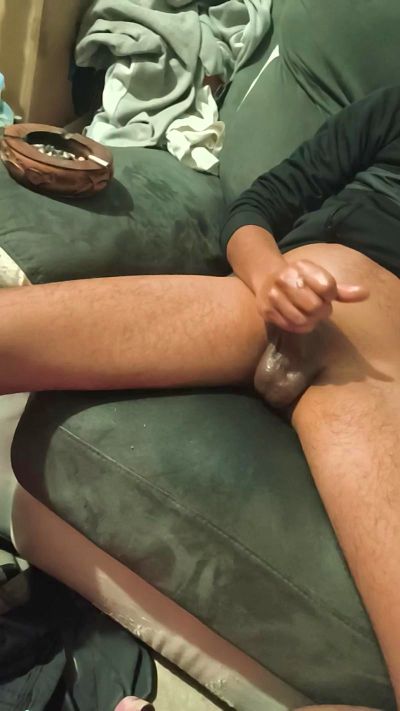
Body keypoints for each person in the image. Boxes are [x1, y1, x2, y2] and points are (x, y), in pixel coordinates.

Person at [2, 85, 400, 711]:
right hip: (270, 298)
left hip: (376, 358)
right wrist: (270, 277)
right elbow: (256, 207)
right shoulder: (393, 107)